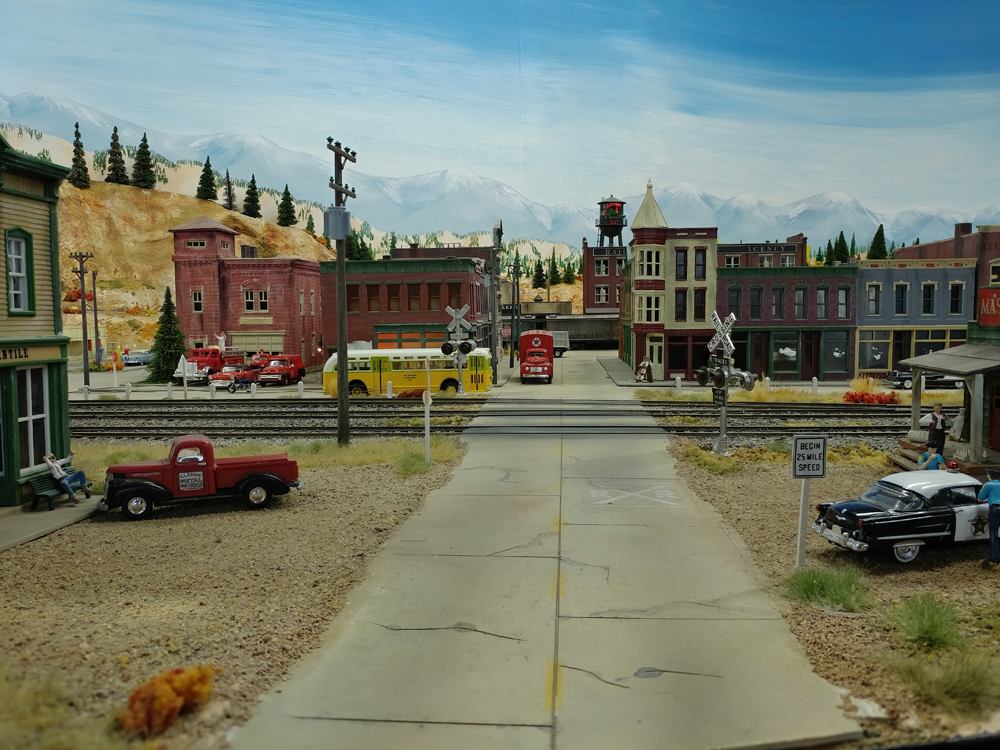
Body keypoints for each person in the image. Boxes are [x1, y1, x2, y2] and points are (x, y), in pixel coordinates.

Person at [978, 468, 1000, 568]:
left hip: (995, 509)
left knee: (993, 533)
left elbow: (980, 498)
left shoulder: (988, 484)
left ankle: (993, 558)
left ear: (989, 476)